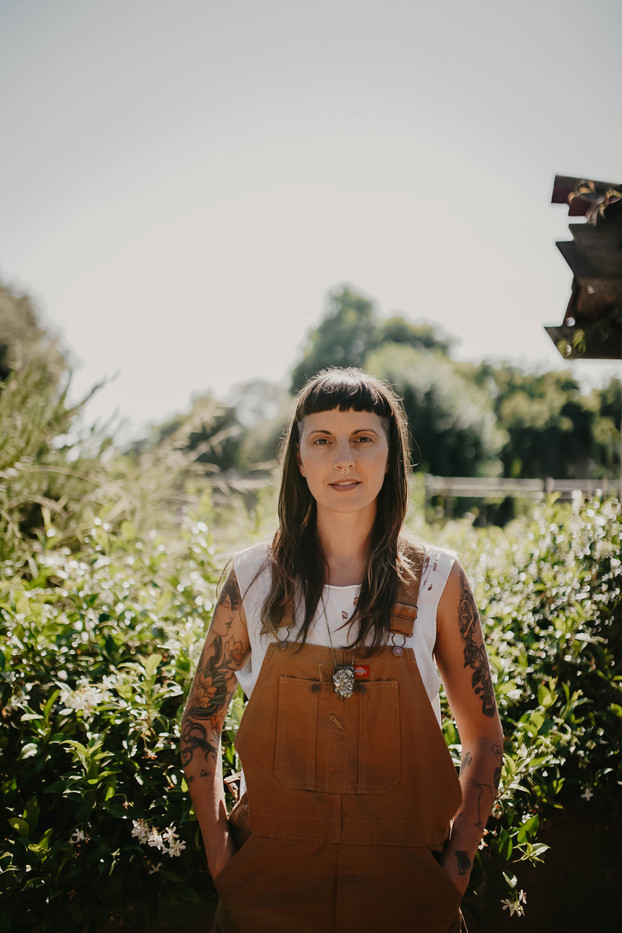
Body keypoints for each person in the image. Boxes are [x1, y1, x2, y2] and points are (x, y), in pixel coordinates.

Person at [181, 367, 503, 933]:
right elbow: (201, 721)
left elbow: (483, 737)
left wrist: (453, 874)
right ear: (299, 459)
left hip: (407, 896)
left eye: (363, 438)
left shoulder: (438, 580)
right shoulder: (252, 578)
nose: (344, 459)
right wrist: (221, 859)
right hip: (267, 892)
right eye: (323, 440)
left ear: (390, 454)